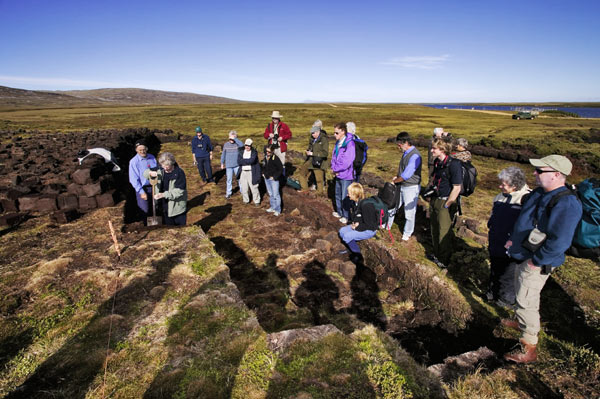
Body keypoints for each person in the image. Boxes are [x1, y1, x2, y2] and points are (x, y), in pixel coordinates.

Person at [502, 155, 582, 363]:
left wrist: (536, 261)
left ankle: (529, 346)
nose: (535, 174)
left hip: (536, 260)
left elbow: (560, 241)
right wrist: (513, 241)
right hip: (523, 253)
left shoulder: (567, 203)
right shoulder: (540, 193)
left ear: (557, 175)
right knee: (523, 292)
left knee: (526, 299)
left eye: (540, 171)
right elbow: (525, 220)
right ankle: (522, 322)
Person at [486, 167, 531, 306]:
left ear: (515, 185)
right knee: (495, 268)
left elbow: (527, 223)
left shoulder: (526, 199)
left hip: (512, 244)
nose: (500, 187)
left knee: (509, 273)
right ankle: (493, 293)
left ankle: (506, 300)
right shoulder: (499, 197)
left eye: (503, 185)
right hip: (496, 240)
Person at [427, 138, 462, 268]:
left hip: (445, 201)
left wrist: (448, 204)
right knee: (434, 228)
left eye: (434, 149)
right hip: (435, 199)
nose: (431, 151)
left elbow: (457, 187)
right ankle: (437, 255)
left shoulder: (454, 164)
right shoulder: (437, 162)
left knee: (443, 231)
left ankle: (444, 260)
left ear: (442, 150)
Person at [388, 132, 422, 241]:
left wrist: (396, 181)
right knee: (393, 206)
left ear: (406, 142)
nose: (398, 146)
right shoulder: (406, 153)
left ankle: (407, 233)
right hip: (402, 185)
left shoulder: (415, 155)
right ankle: (386, 226)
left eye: (399, 144)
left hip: (410, 187)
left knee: (409, 212)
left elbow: (407, 175)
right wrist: (397, 177)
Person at [339, 183, 378, 263]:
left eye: (349, 193)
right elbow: (359, 217)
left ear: (354, 194)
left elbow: (369, 225)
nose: (347, 195)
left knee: (347, 236)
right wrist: (356, 223)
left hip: (370, 230)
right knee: (342, 231)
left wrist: (357, 227)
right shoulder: (355, 203)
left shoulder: (366, 206)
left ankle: (358, 255)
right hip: (360, 225)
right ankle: (350, 248)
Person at [145, 152, 187, 226]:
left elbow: (179, 191)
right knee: (169, 227)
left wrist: (163, 195)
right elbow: (145, 173)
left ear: (172, 163)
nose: (165, 168)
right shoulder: (160, 169)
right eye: (163, 165)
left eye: (167, 165)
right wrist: (150, 173)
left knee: (180, 228)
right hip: (164, 205)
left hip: (177, 206)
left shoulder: (179, 173)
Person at [330, 122, 356, 224]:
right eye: (334, 133)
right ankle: (340, 212)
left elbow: (347, 162)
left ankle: (346, 216)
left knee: (345, 196)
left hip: (346, 175)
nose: (334, 135)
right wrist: (333, 168)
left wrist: (336, 169)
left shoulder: (350, 144)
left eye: (336, 133)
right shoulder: (338, 142)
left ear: (343, 132)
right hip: (338, 174)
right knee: (337, 194)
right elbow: (334, 157)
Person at [128, 139, 157, 222]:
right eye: (140, 150)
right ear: (136, 150)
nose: (142, 151)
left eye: (144, 149)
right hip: (142, 189)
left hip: (154, 186)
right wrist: (141, 192)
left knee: (155, 207)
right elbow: (133, 179)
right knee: (145, 210)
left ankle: (156, 227)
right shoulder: (134, 162)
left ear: (147, 149)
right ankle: (146, 227)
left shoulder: (152, 157)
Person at [296, 125, 329, 195]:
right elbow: (310, 147)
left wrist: (313, 153)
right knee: (302, 172)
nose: (312, 134)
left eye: (313, 133)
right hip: (310, 160)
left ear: (318, 132)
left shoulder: (324, 139)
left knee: (319, 179)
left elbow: (325, 153)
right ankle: (304, 189)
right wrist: (308, 151)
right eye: (311, 133)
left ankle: (319, 193)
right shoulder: (312, 139)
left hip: (319, 161)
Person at [237, 138, 261, 206]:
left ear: (251, 146)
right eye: (246, 145)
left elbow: (252, 160)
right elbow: (239, 161)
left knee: (254, 187)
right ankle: (246, 200)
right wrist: (247, 161)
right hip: (243, 172)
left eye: (249, 145)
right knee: (244, 188)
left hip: (251, 172)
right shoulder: (241, 151)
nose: (247, 147)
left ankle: (257, 201)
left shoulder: (254, 152)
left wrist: (244, 161)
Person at [220, 130, 244, 199]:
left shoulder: (237, 144)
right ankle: (228, 193)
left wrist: (235, 139)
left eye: (232, 138)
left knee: (239, 179)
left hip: (237, 165)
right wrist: (222, 163)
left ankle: (242, 191)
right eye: (230, 138)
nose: (231, 140)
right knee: (229, 180)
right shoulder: (226, 144)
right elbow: (223, 154)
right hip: (229, 166)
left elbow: (242, 145)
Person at [262, 145, 283, 216]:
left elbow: (280, 169)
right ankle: (273, 207)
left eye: (269, 152)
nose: (267, 153)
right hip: (266, 178)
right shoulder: (265, 157)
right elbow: (263, 166)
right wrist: (263, 174)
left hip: (273, 179)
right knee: (270, 194)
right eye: (266, 151)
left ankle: (278, 210)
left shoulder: (275, 159)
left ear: (272, 151)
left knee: (276, 195)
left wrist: (275, 177)